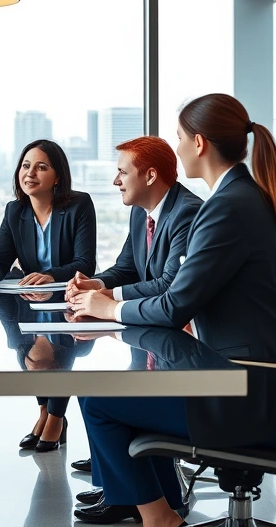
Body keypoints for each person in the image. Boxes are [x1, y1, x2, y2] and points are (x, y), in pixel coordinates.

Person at [67, 93, 276, 526]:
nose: (178, 147)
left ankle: (160, 518)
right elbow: (182, 295)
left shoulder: (227, 207)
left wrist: (110, 307)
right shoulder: (241, 198)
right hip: (262, 385)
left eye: (181, 137)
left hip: (255, 396)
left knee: (99, 401)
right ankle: (164, 507)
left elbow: (175, 304)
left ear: (200, 144)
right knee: (116, 392)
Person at [63, 136, 202, 484]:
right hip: (159, 337)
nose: (115, 181)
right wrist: (96, 285)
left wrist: (108, 301)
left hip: (187, 346)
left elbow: (171, 283)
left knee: (104, 398)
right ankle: (116, 482)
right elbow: (126, 267)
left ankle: (127, 491)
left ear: (151, 176)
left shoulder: (186, 212)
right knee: (97, 386)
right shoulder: (143, 214)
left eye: (122, 172)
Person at [0, 139, 96, 451]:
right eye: (26, 166)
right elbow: (0, 259)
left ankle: (55, 416)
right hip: (31, 299)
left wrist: (51, 274)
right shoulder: (15, 211)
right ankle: (44, 411)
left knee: (56, 348)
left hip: (68, 296)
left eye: (41, 167)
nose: (30, 173)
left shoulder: (78, 205)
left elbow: (85, 262)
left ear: (58, 176)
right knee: (26, 350)